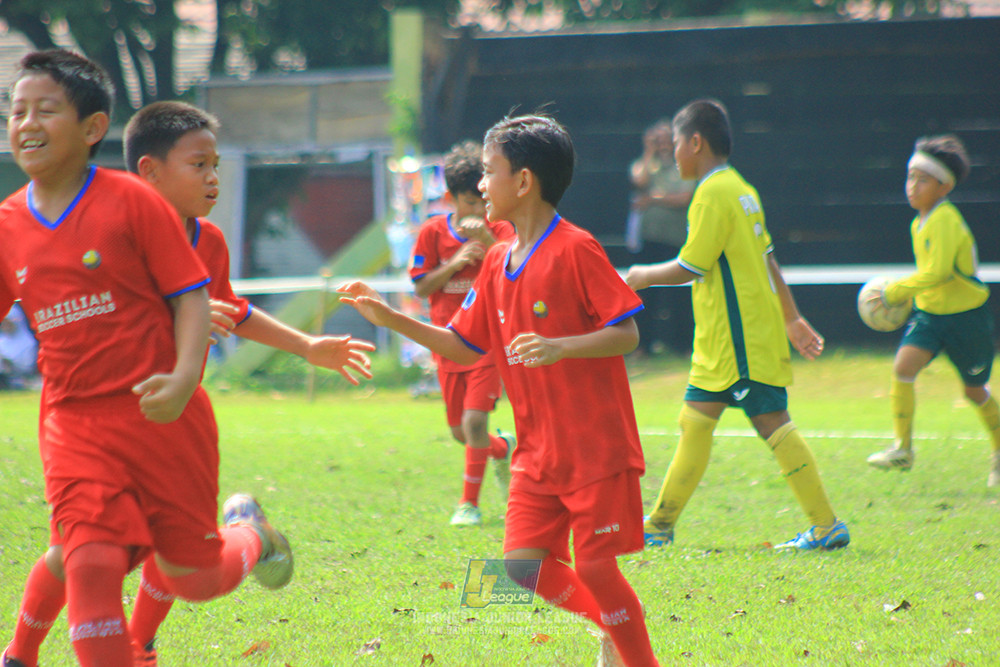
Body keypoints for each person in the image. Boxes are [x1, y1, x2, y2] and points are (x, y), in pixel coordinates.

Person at [3, 98, 377, 667]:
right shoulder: (100, 221)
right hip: (91, 421)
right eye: (198, 164)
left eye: (215, 165)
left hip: (169, 422)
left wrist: (306, 345)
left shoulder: (207, 242)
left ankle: (236, 544)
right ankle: (22, 655)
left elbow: (226, 307)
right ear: (149, 170)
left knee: (183, 565)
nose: (212, 178)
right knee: (75, 551)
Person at [341, 114, 659, 667]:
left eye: (489, 173)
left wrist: (564, 345)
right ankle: (612, 622)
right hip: (536, 453)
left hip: (593, 447)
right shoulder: (495, 263)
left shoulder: (576, 248)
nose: (480, 186)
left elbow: (626, 332)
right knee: (522, 566)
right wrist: (391, 319)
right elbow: (464, 345)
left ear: (525, 181)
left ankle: (637, 655)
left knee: (595, 568)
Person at [626, 99, 850, 552]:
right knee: (694, 421)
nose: (673, 154)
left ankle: (826, 527)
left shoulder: (712, 193)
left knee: (772, 422)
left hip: (740, 340)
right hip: (725, 340)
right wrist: (791, 317)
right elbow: (769, 259)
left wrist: (642, 275)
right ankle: (659, 526)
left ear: (695, 142)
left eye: (675, 144)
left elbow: (691, 265)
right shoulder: (742, 188)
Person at [863, 135, 1000, 487]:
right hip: (931, 315)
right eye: (910, 177)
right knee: (903, 368)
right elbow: (931, 279)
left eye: (922, 180)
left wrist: (896, 290)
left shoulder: (945, 220)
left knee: (974, 390)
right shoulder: (918, 223)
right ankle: (903, 449)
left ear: (944, 186)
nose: (912, 186)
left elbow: (938, 272)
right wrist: (909, 295)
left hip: (966, 318)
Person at [409, 139, 516, 527]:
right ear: (452, 198)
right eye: (470, 203)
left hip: (488, 343)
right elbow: (421, 287)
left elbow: (514, 272)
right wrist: (454, 264)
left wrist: (487, 243)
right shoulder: (432, 233)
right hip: (447, 342)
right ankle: (504, 448)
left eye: (482, 202)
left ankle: (468, 505)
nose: (478, 212)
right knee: (461, 432)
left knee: (473, 423)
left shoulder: (501, 231)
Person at [626, 119, 694, 356]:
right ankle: (644, 345)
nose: (662, 143)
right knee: (646, 294)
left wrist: (653, 199)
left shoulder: (682, 167)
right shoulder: (645, 164)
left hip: (674, 239)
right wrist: (648, 151)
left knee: (678, 294)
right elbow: (639, 180)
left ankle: (682, 345)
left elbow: (684, 196)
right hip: (649, 239)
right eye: (658, 139)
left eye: (667, 139)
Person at [0, 303, 38, 389]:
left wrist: (12, 365)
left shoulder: (30, 342)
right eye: (4, 322)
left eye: (8, 322)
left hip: (26, 380)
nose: (6, 325)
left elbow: (30, 367)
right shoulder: (1, 342)